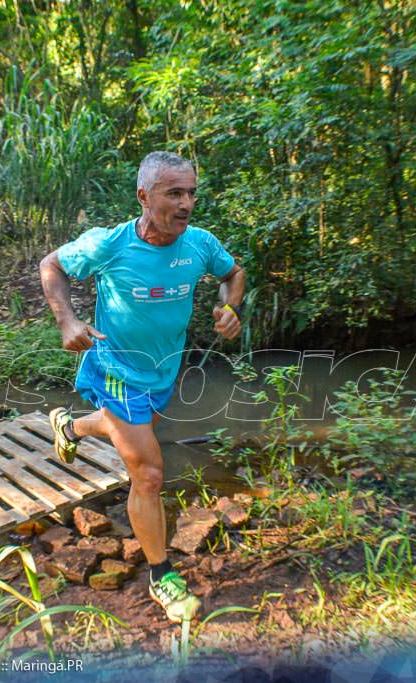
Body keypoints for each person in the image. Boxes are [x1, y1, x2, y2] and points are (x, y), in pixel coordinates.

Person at [39, 151, 245, 622]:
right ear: (144, 197)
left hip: (162, 369)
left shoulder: (199, 245)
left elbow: (233, 274)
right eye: (174, 193)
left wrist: (231, 307)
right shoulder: (109, 245)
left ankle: (68, 428)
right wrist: (67, 319)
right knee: (149, 473)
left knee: (125, 429)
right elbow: (51, 265)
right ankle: (161, 576)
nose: (187, 203)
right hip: (116, 368)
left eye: (191, 192)